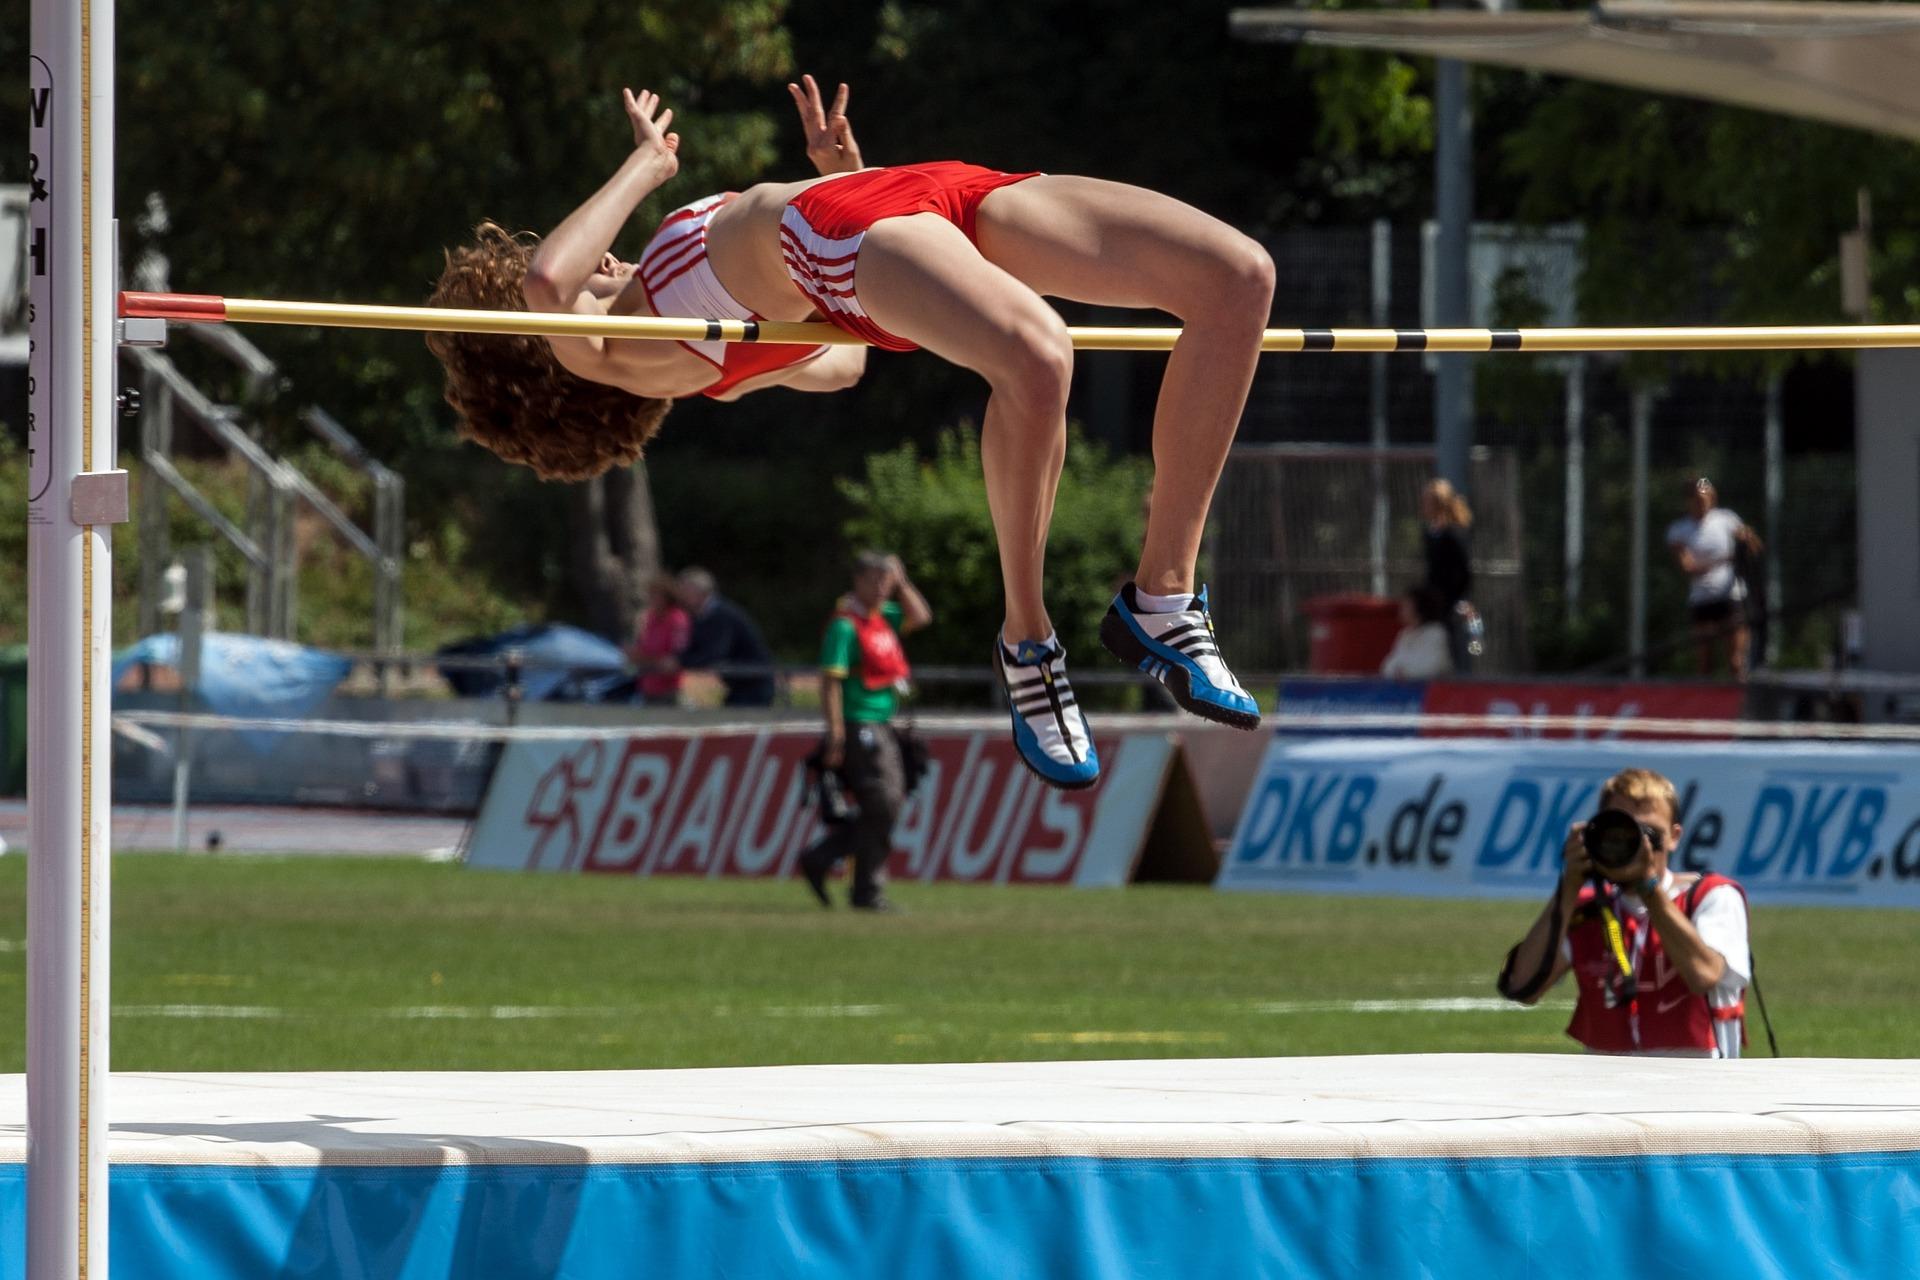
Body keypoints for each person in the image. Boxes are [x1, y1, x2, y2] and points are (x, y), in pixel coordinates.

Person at [426, 75, 1274, 791]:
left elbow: (846, 365)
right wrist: (647, 164)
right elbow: (545, 281)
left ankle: (1162, 599)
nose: (598, 261)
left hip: (902, 198)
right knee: (1040, 358)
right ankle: (1027, 637)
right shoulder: (617, 352)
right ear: (550, 365)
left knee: (1238, 279)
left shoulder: (717, 358)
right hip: (838, 232)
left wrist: (851, 184)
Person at [1496, 768, 1752, 1058]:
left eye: (1649, 833)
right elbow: (1522, 986)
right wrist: (1568, 888)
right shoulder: (1588, 909)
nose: (1635, 844)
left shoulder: (1711, 897)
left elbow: (1703, 975)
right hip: (1609, 1094)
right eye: (1621, 832)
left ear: (1674, 837)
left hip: (1696, 1091)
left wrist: (1649, 889)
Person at [799, 551, 932, 911]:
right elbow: (830, 682)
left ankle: (837, 867)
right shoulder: (846, 625)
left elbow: (921, 616)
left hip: (885, 722)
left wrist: (901, 582)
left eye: (884, 581)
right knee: (884, 802)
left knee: (884, 806)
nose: (880, 588)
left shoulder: (883, 618)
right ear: (857, 580)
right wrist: (837, 732)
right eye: (874, 579)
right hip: (860, 722)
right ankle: (860, 885)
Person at [1667, 477, 1762, 681]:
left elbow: (1755, 548)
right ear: (1689, 501)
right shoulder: (1679, 529)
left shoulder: (1726, 519)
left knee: (1736, 661)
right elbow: (1688, 566)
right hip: (1702, 599)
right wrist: (1725, 559)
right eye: (1698, 499)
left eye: (1707, 498)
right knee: (1704, 662)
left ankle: (1740, 707)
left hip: (1730, 596)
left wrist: (1747, 538)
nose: (1703, 503)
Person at [673, 567, 775, 707]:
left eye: (685, 591)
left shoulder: (721, 615)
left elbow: (714, 653)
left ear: (700, 592)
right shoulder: (700, 616)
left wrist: (679, 662)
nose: (681, 597)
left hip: (754, 681)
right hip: (738, 683)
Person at [1419, 478, 1476, 672]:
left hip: (1450, 604)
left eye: (1428, 502)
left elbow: (1463, 572)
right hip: (1432, 603)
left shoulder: (1453, 534)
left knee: (1453, 645)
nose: (1424, 506)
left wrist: (1453, 599)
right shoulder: (1429, 534)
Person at [629, 574, 690, 707]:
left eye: (655, 596)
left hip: (670, 690)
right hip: (647, 686)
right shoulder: (648, 618)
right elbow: (640, 650)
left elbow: (674, 659)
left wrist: (645, 658)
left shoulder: (677, 619)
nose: (651, 600)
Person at [1379, 586, 1452, 680]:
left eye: (1406, 606)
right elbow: (1387, 665)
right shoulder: (1404, 635)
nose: (1401, 610)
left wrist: (1406, 672)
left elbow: (1435, 666)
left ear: (1419, 608)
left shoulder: (1436, 633)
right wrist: (1396, 671)